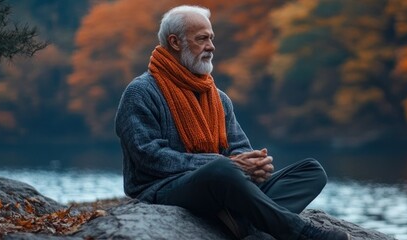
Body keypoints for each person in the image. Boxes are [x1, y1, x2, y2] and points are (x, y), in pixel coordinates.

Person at [114, 5, 349, 240]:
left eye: (212, 38)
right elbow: (149, 157)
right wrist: (224, 164)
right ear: (175, 43)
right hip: (162, 189)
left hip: (224, 182)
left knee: (311, 171)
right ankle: (297, 231)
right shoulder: (141, 92)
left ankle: (252, 230)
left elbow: (238, 147)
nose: (211, 46)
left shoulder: (218, 97)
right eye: (202, 39)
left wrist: (255, 164)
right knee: (223, 170)